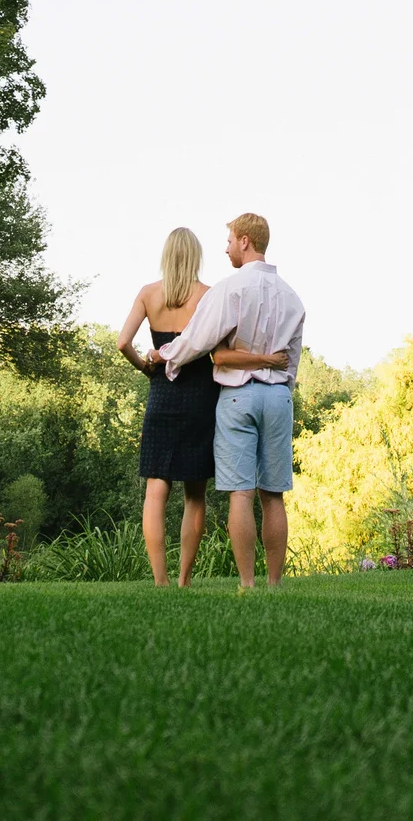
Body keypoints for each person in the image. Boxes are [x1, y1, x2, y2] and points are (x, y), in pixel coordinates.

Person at [153, 212, 305, 589]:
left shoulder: (230, 289)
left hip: (239, 396)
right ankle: (274, 584)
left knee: (241, 491)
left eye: (229, 241)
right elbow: (293, 359)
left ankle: (247, 584)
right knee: (274, 495)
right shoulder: (292, 297)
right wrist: (280, 387)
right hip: (278, 397)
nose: (225, 249)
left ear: (245, 241)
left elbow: (198, 339)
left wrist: (166, 356)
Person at [116, 227, 217, 586]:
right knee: (195, 492)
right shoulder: (208, 295)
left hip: (161, 394)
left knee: (156, 490)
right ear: (195, 256)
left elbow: (123, 342)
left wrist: (146, 368)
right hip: (200, 396)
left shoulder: (148, 294)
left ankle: (159, 580)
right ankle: (184, 580)